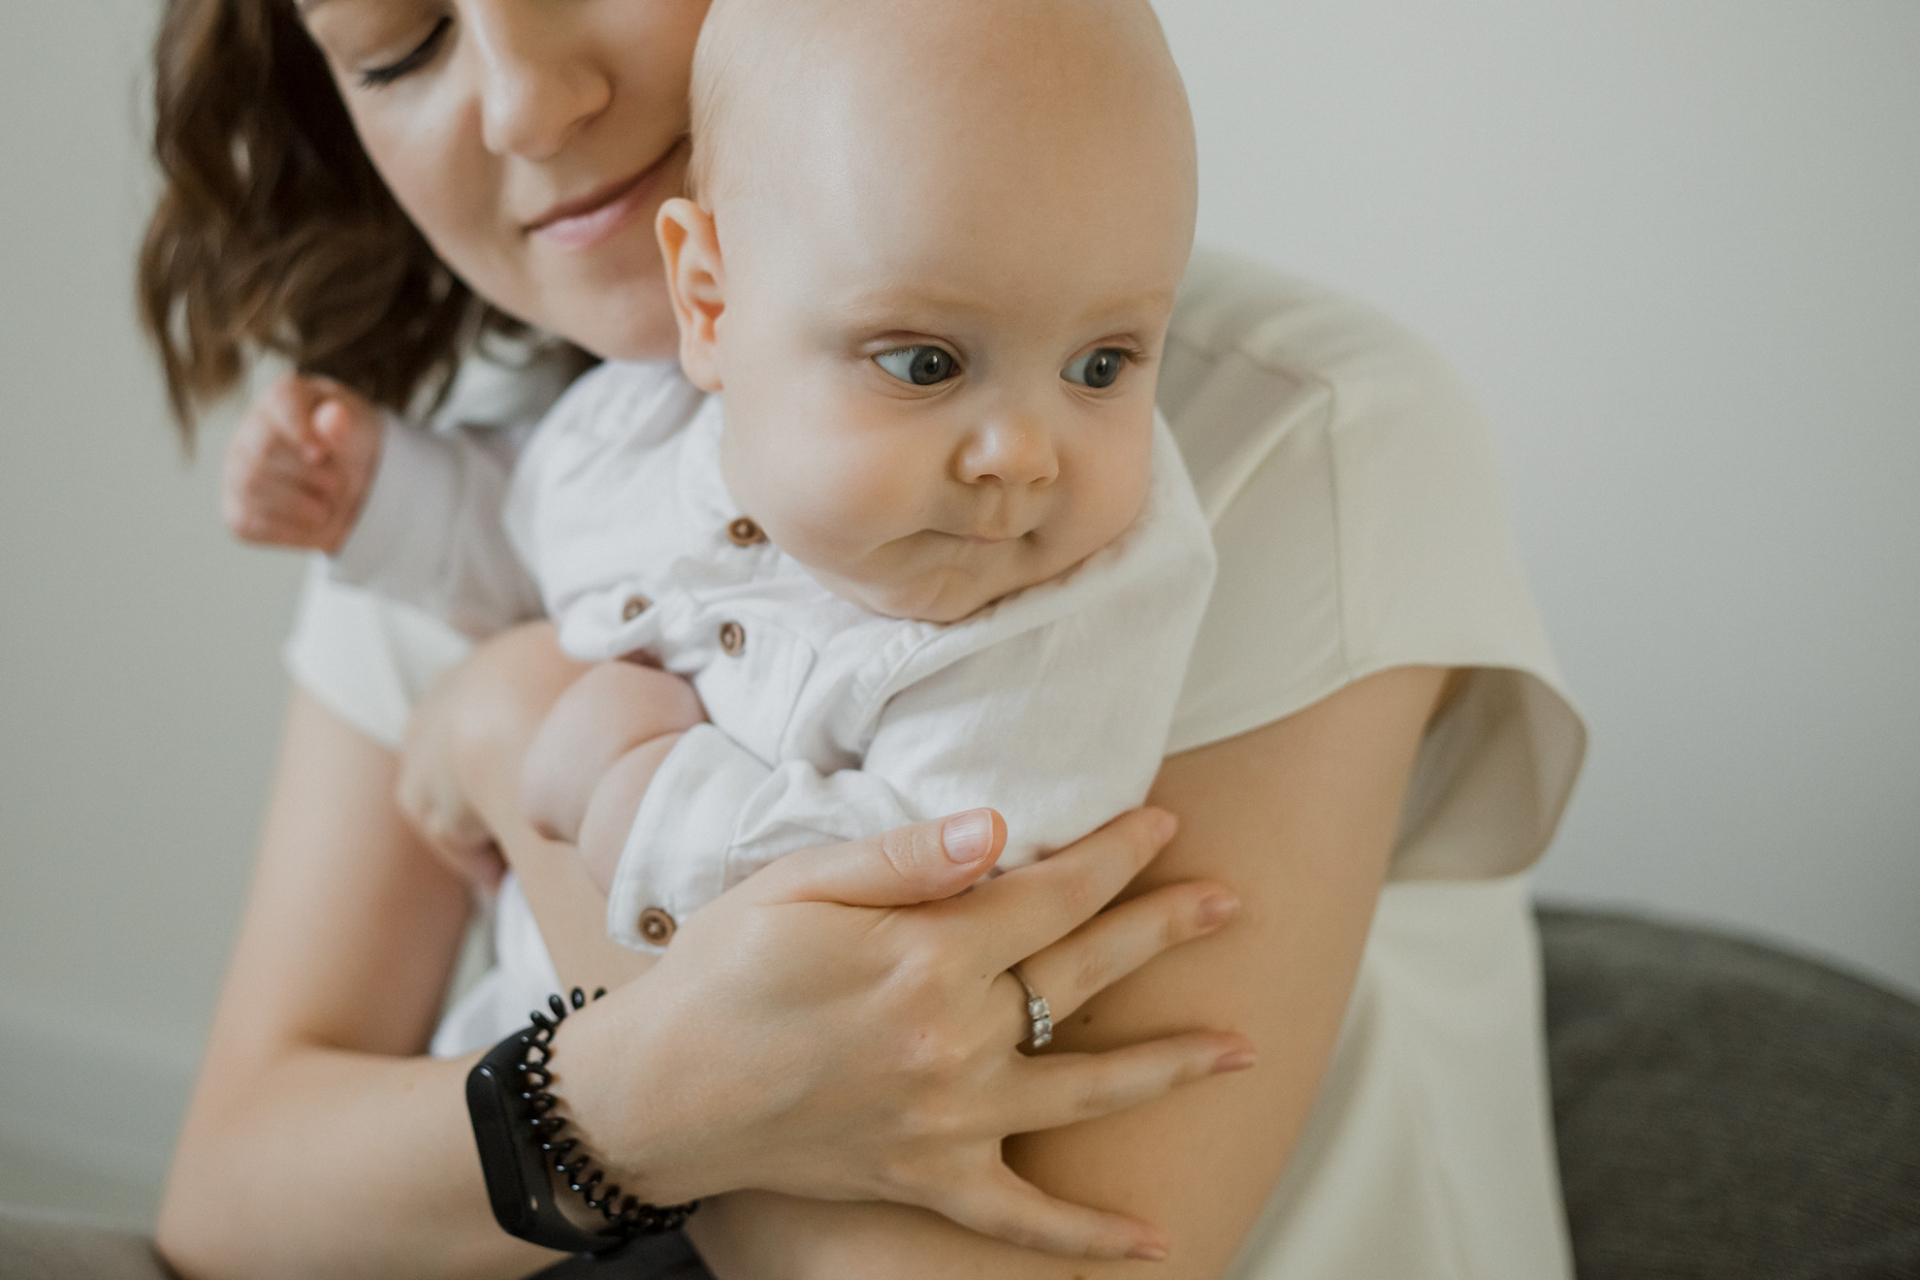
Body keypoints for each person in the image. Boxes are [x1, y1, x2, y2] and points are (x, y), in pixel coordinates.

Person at [139, 1, 1587, 1278]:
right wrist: (625, 1101)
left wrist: (529, 731)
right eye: (400, 47)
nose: (523, 99)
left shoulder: (1267, 452)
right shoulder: (550, 454)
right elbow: (235, 1199)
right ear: (704, 293)